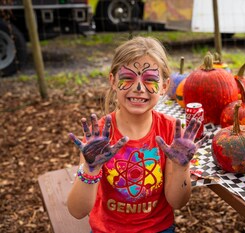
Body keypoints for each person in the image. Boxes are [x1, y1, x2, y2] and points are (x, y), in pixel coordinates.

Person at [67, 36, 208, 233]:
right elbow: (77, 210)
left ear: (165, 86)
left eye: (150, 80)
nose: (139, 88)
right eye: (128, 78)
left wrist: (180, 167)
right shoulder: (98, 138)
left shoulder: (171, 133)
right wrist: (90, 169)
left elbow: (177, 202)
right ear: (113, 81)